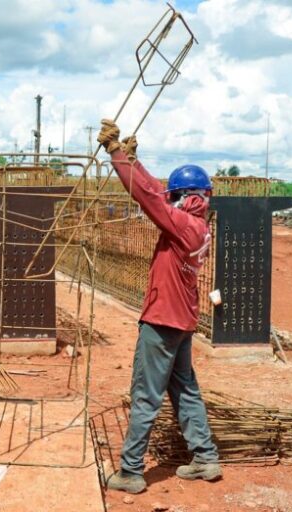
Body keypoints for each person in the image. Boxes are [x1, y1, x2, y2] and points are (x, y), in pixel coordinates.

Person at [96, 120, 221, 493]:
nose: (172, 200)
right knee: (185, 389)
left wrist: (117, 154)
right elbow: (155, 193)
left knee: (146, 395)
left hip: (163, 322)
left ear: (186, 197)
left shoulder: (183, 224)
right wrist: (134, 163)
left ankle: (131, 472)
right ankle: (205, 457)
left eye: (176, 195)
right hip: (182, 322)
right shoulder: (198, 226)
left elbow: (149, 198)